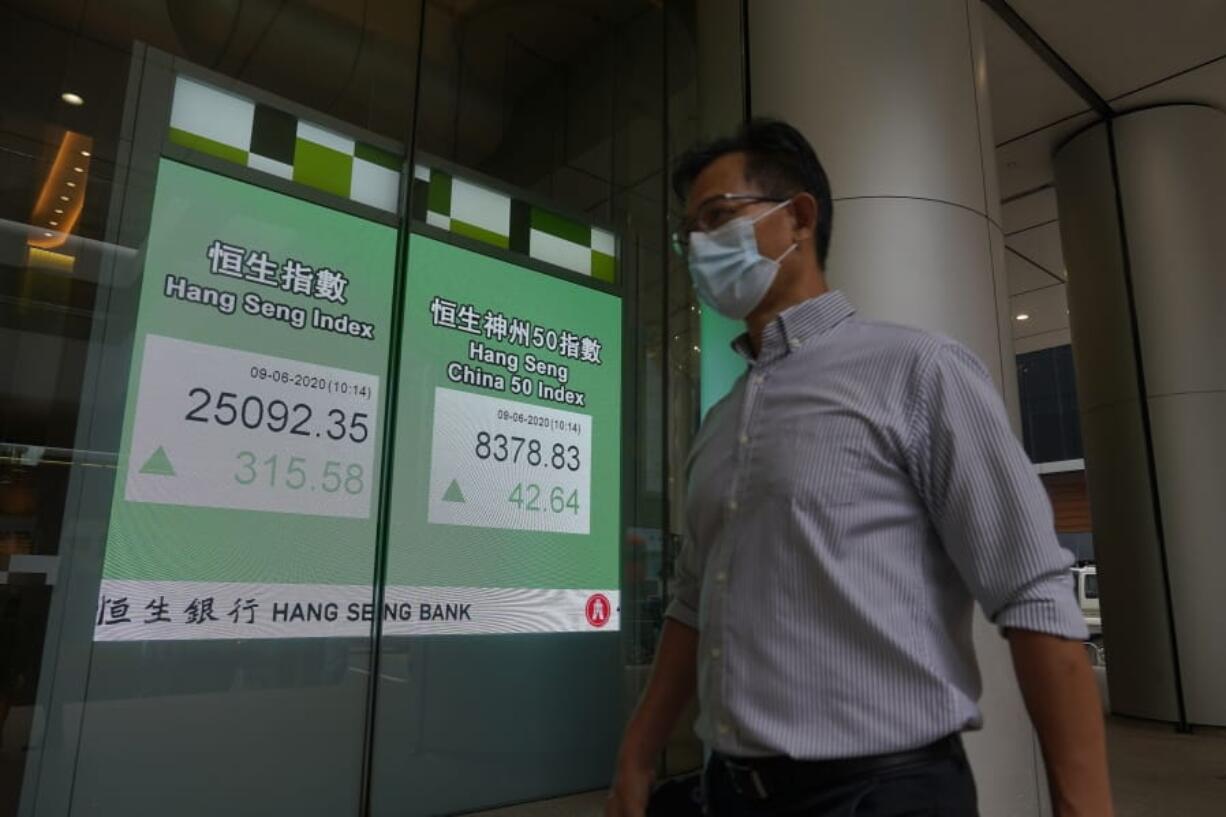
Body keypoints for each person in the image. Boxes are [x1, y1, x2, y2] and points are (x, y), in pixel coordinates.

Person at [605, 119, 1113, 817]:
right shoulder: (720, 425)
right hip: (728, 791)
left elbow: (1031, 589)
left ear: (798, 218)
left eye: (718, 217)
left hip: (882, 792)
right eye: (687, 232)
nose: (697, 246)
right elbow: (694, 603)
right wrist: (636, 755)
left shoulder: (917, 370)